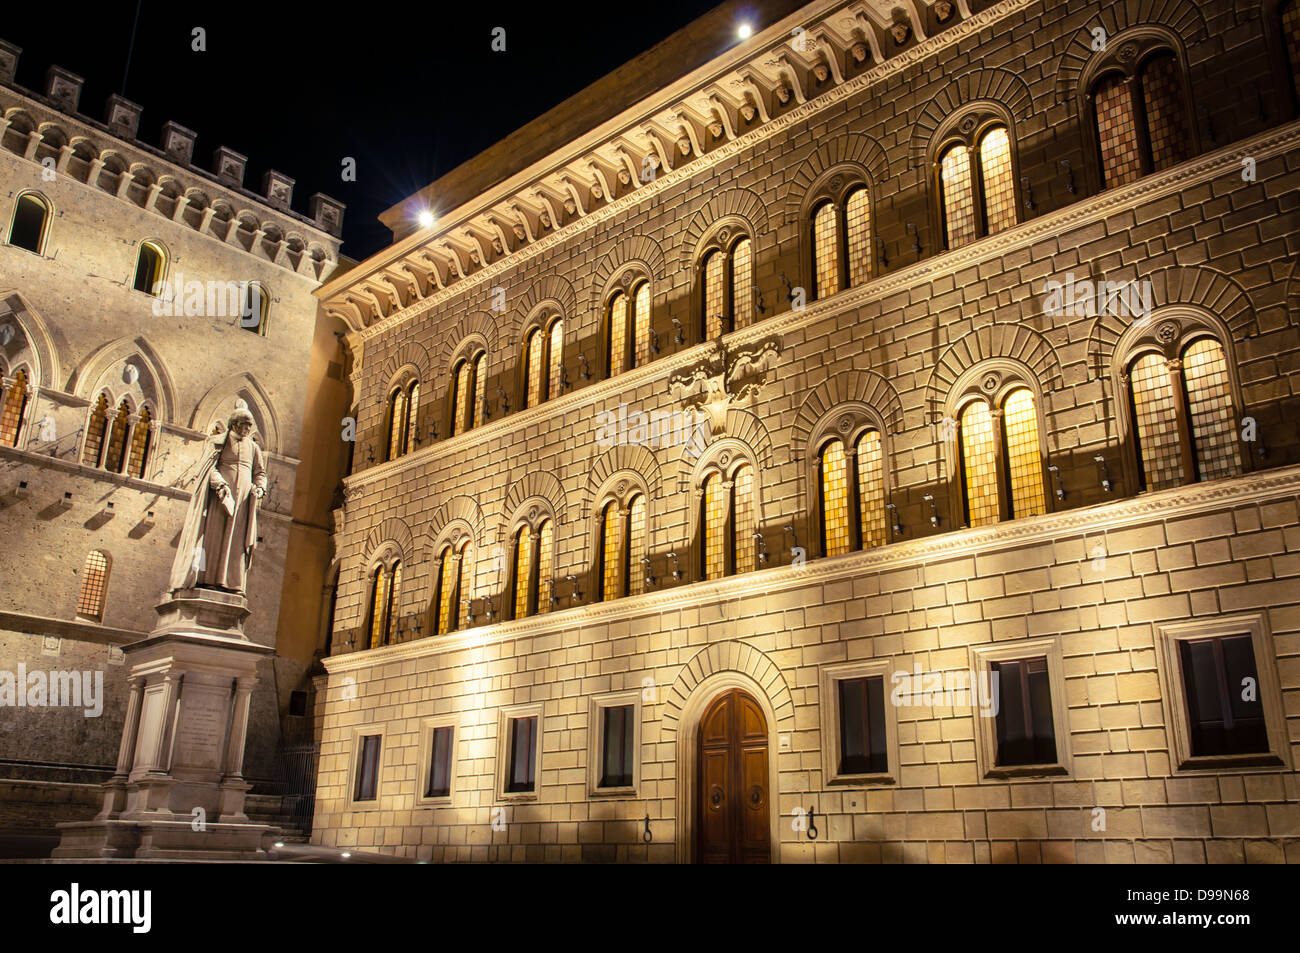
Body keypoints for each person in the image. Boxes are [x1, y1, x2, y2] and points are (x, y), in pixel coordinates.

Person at [169, 400, 267, 594]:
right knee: (211, 539)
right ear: (234, 424)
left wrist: (260, 488)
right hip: (219, 500)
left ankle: (232, 583)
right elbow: (208, 469)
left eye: (249, 426)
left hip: (243, 503)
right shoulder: (218, 442)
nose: (247, 429)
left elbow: (260, 473)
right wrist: (220, 484)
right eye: (244, 425)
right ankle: (205, 579)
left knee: (237, 542)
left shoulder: (254, 448)